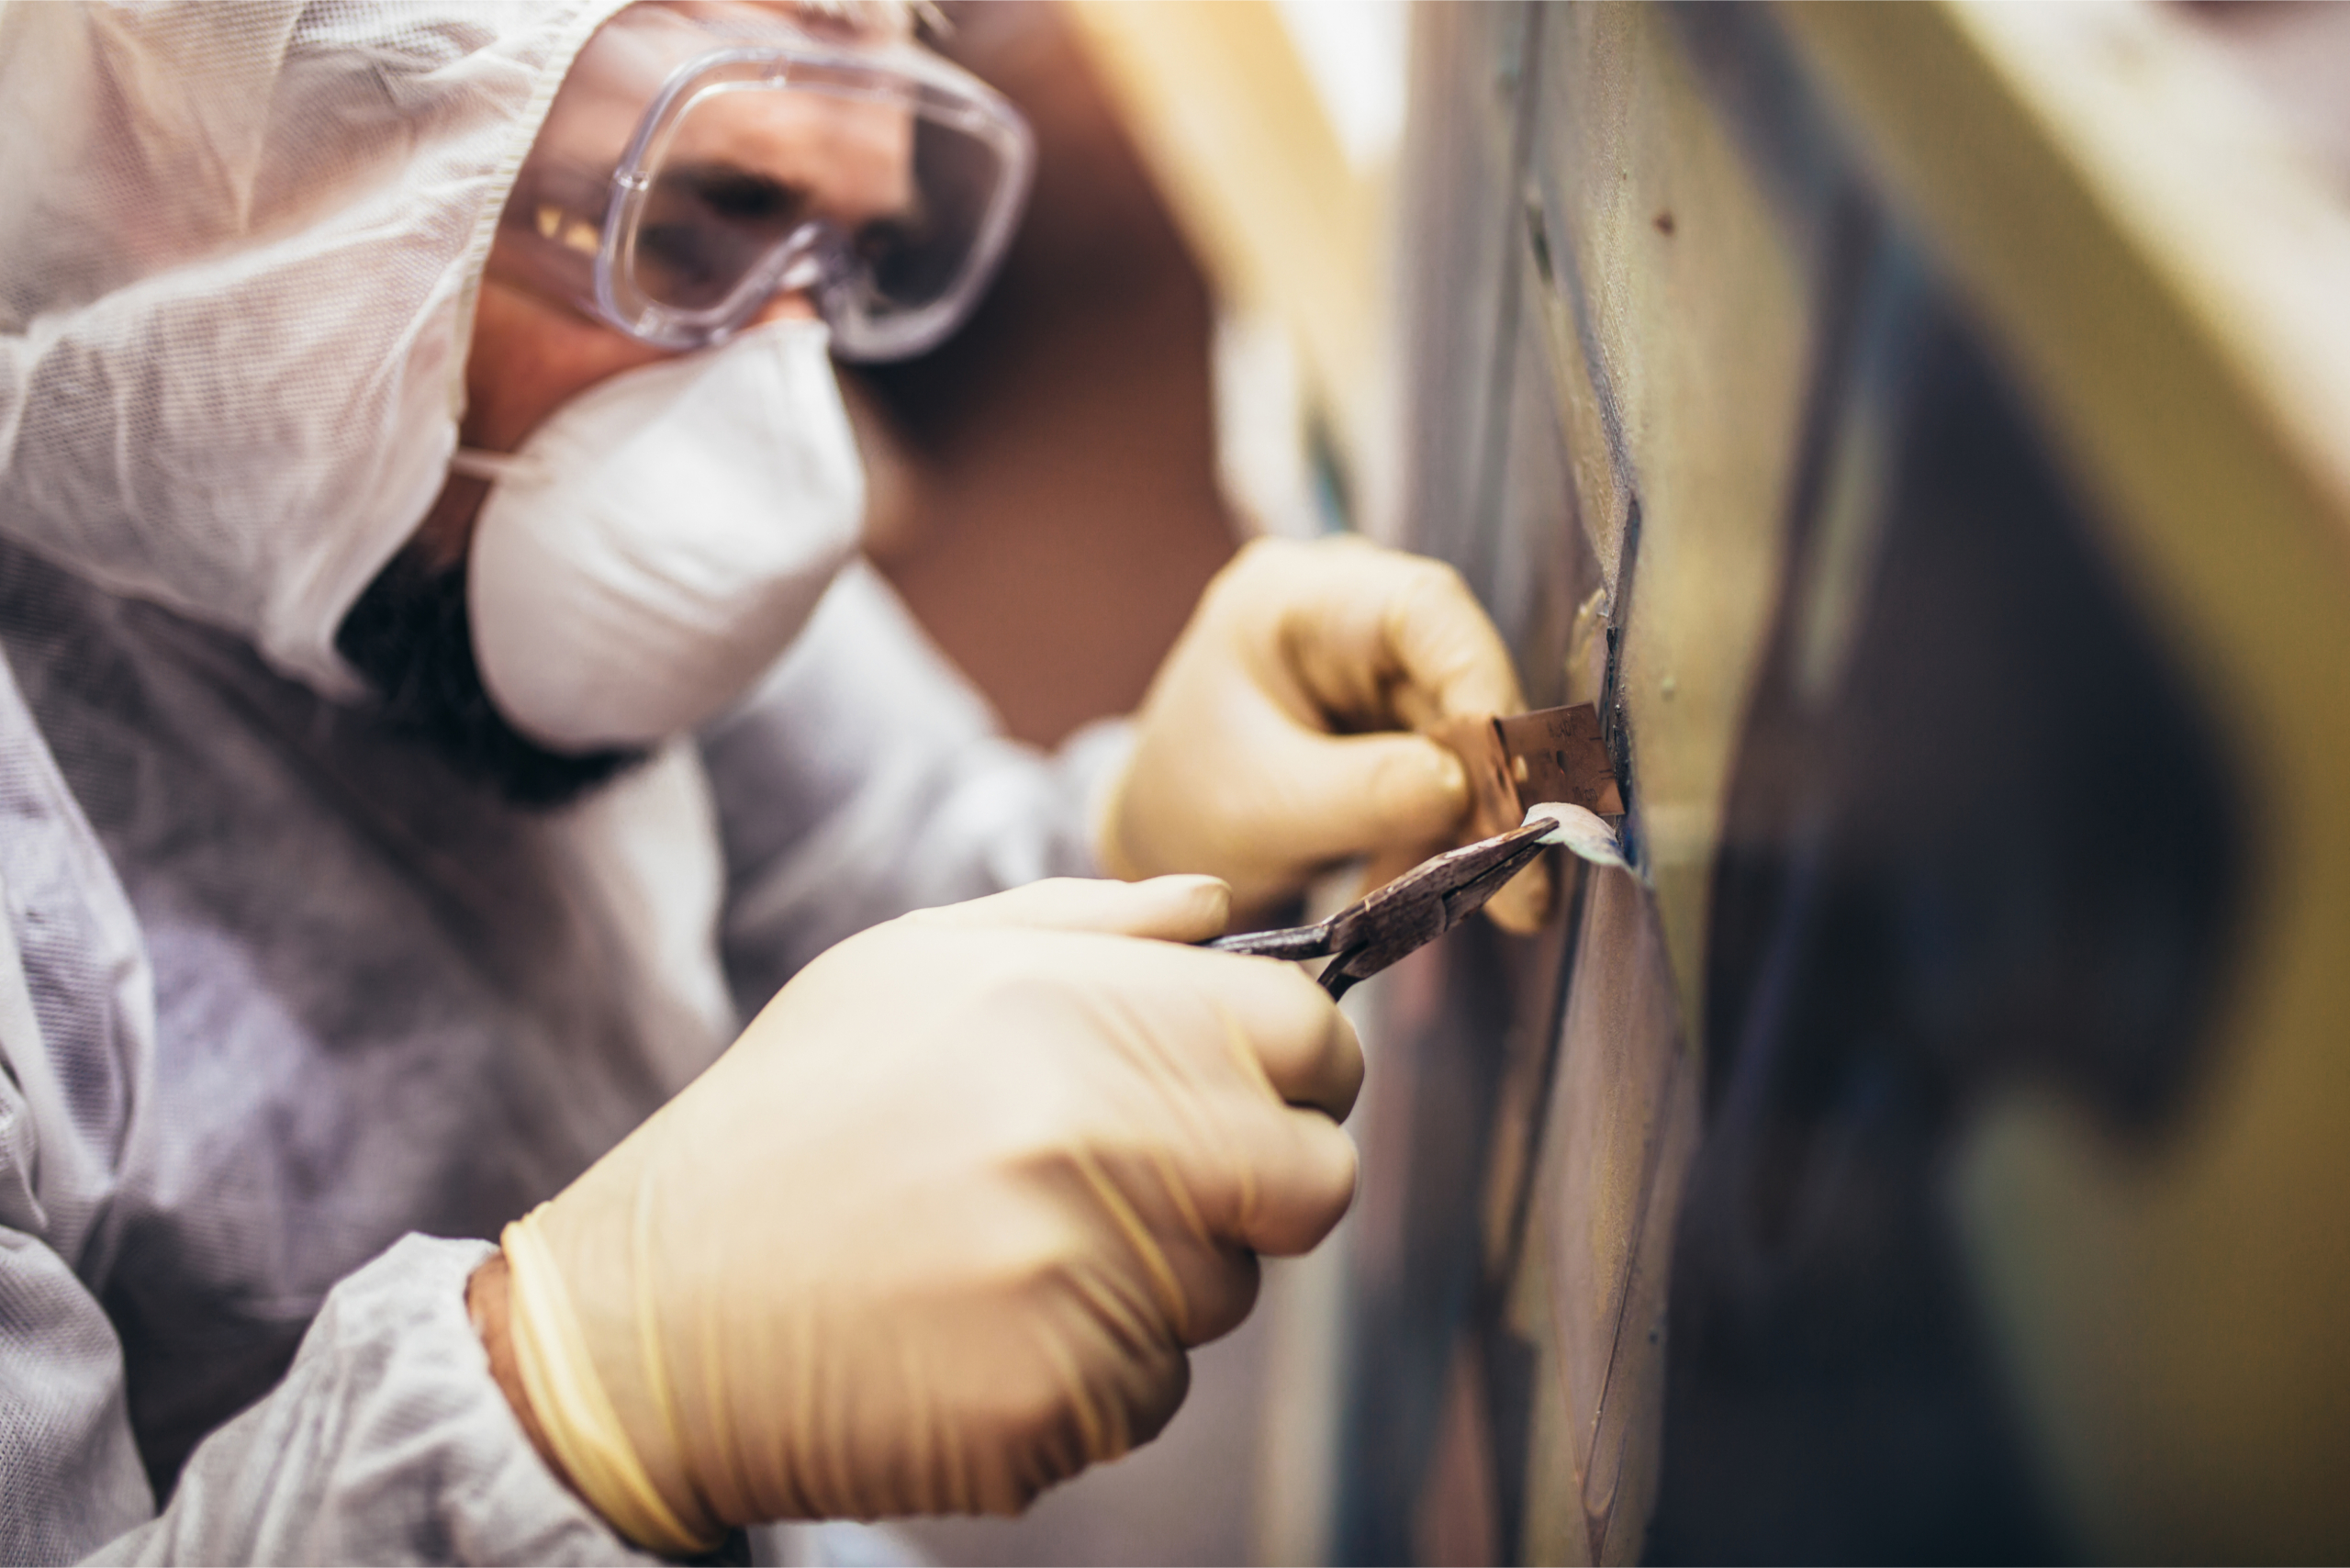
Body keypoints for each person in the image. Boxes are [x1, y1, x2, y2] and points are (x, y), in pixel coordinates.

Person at [0, 1, 1547, 1560]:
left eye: (839, 256)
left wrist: (1127, 843)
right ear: (174, 142)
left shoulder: (583, 477)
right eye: (688, 224)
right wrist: (569, 1407)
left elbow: (855, 907)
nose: (786, 435)